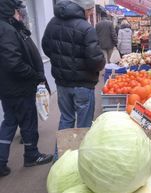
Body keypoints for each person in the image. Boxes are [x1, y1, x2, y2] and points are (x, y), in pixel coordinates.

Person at [0, 0, 53, 176]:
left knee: (9, 122)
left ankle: (1, 161)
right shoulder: (7, 29)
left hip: (9, 88)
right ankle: (32, 155)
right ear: (9, 12)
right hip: (18, 88)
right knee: (27, 122)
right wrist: (33, 74)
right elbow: (13, 62)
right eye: (17, 11)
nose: (20, 14)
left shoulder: (8, 27)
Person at [42, 0, 106, 130]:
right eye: (89, 11)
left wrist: (60, 61)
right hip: (83, 84)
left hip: (62, 83)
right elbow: (95, 59)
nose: (89, 14)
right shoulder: (86, 28)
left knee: (66, 119)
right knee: (83, 125)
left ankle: (61, 151)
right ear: (84, 9)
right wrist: (101, 64)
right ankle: (79, 150)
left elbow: (46, 47)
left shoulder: (52, 23)